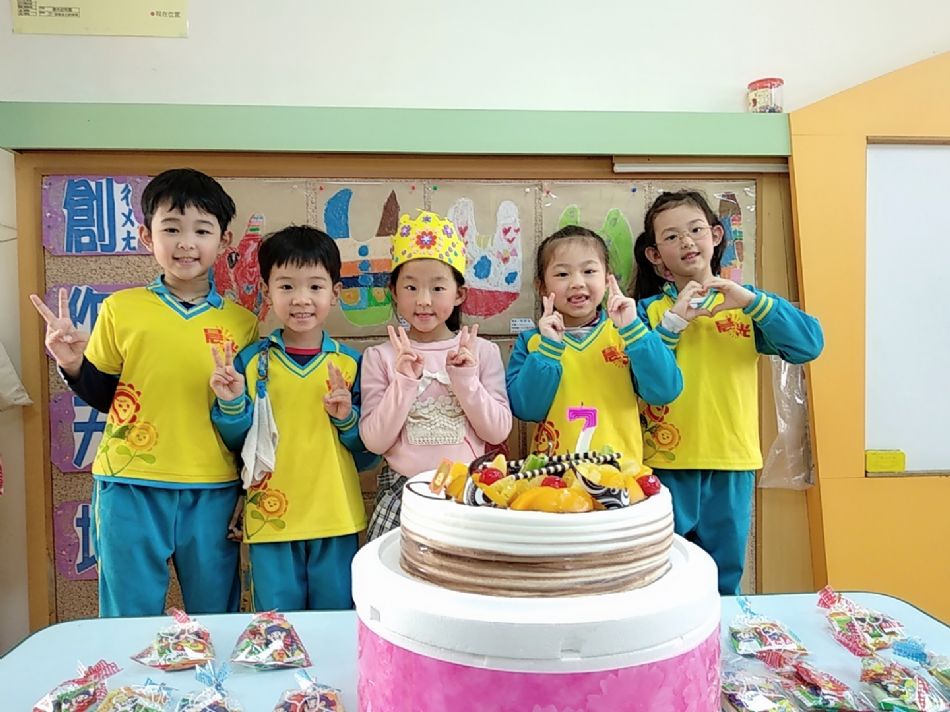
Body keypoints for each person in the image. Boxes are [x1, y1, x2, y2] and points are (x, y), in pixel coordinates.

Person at [30, 168, 258, 616]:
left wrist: (245, 490)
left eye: (202, 230)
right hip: (129, 485)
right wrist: (72, 363)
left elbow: (246, 419)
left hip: (212, 488)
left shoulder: (242, 323)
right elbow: (105, 395)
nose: (186, 243)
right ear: (145, 236)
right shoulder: (121, 308)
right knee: (127, 618)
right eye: (171, 229)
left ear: (224, 241)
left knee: (216, 618)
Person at [633, 189, 824, 594]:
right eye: (671, 236)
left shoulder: (746, 304)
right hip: (664, 464)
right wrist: (673, 323)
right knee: (662, 579)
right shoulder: (644, 312)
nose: (686, 241)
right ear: (654, 254)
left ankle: (722, 639)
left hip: (732, 461)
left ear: (716, 235)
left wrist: (753, 303)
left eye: (696, 230)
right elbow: (644, 382)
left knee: (724, 581)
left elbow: (808, 345)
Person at [211, 225, 376, 611]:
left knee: (335, 621)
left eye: (315, 286)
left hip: (335, 517)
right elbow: (237, 442)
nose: (301, 299)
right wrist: (231, 403)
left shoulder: (351, 365)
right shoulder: (251, 362)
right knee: (275, 625)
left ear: (335, 293)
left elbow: (368, 453)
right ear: (266, 292)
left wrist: (347, 419)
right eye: (286, 286)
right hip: (271, 519)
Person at [359, 211, 512, 540]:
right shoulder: (380, 357)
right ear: (394, 291)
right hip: (403, 494)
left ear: (459, 294)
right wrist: (404, 382)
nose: (424, 300)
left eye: (438, 287)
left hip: (466, 490)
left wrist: (466, 380)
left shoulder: (481, 352)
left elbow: (498, 430)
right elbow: (374, 441)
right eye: (411, 287)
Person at [506, 225, 682, 465]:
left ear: (608, 278)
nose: (577, 283)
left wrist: (634, 331)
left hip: (620, 473)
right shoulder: (532, 342)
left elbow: (664, 391)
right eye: (562, 274)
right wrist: (548, 350)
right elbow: (527, 410)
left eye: (589, 271)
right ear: (542, 286)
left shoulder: (628, 333)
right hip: (553, 477)